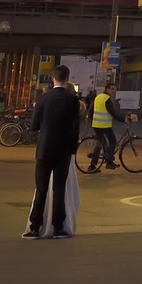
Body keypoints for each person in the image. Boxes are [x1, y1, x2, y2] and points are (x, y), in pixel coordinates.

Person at [24, 65, 82, 239]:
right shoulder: (73, 100)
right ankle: (58, 227)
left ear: (52, 78)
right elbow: (75, 128)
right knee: (59, 188)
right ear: (67, 78)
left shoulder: (43, 98)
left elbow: (34, 126)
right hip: (63, 150)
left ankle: (35, 227)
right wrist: (72, 149)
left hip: (44, 149)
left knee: (41, 188)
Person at [91, 82, 125, 170]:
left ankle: (92, 166)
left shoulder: (98, 97)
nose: (114, 91)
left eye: (115, 89)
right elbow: (113, 113)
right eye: (112, 89)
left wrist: (93, 121)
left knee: (100, 144)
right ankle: (109, 162)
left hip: (96, 124)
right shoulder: (107, 99)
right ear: (107, 89)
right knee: (113, 141)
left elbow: (91, 111)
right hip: (104, 125)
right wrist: (124, 120)